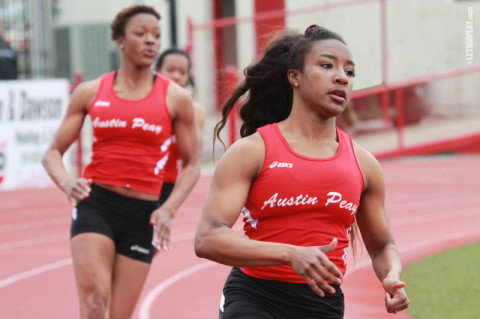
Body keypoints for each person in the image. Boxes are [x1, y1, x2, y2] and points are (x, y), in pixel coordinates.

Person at [194, 25, 409, 318]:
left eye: (350, 71)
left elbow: (383, 245)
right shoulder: (253, 151)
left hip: (322, 304)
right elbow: (208, 238)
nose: (341, 77)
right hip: (255, 296)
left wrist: (391, 275)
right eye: (326, 65)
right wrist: (290, 253)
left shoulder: (364, 165)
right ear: (294, 76)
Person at [42, 5, 200, 318]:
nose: (150, 41)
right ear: (120, 40)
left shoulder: (175, 98)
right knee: (96, 302)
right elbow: (52, 153)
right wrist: (67, 181)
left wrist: (168, 209)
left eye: (156, 35)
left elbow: (193, 164)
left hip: (143, 213)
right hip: (95, 204)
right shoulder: (90, 92)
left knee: (119, 315)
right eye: (140, 34)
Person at [154, 48, 206, 204]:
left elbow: (194, 153)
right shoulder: (146, 102)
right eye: (170, 70)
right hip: (139, 179)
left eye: (182, 72)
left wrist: (187, 110)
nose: (176, 75)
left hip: (167, 182)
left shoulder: (195, 110)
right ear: (157, 71)